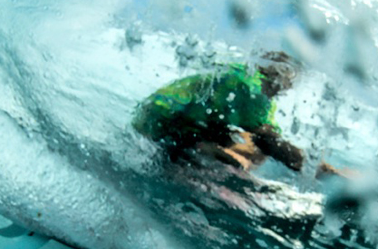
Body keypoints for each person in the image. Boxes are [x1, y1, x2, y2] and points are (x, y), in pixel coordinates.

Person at [132, 51, 343, 177]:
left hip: (157, 116)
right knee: (257, 143)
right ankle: (188, 164)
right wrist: (324, 171)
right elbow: (271, 143)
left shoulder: (253, 85)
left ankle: (208, 155)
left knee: (248, 140)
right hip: (161, 122)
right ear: (282, 74)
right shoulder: (251, 88)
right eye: (293, 78)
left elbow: (268, 137)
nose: (292, 85)